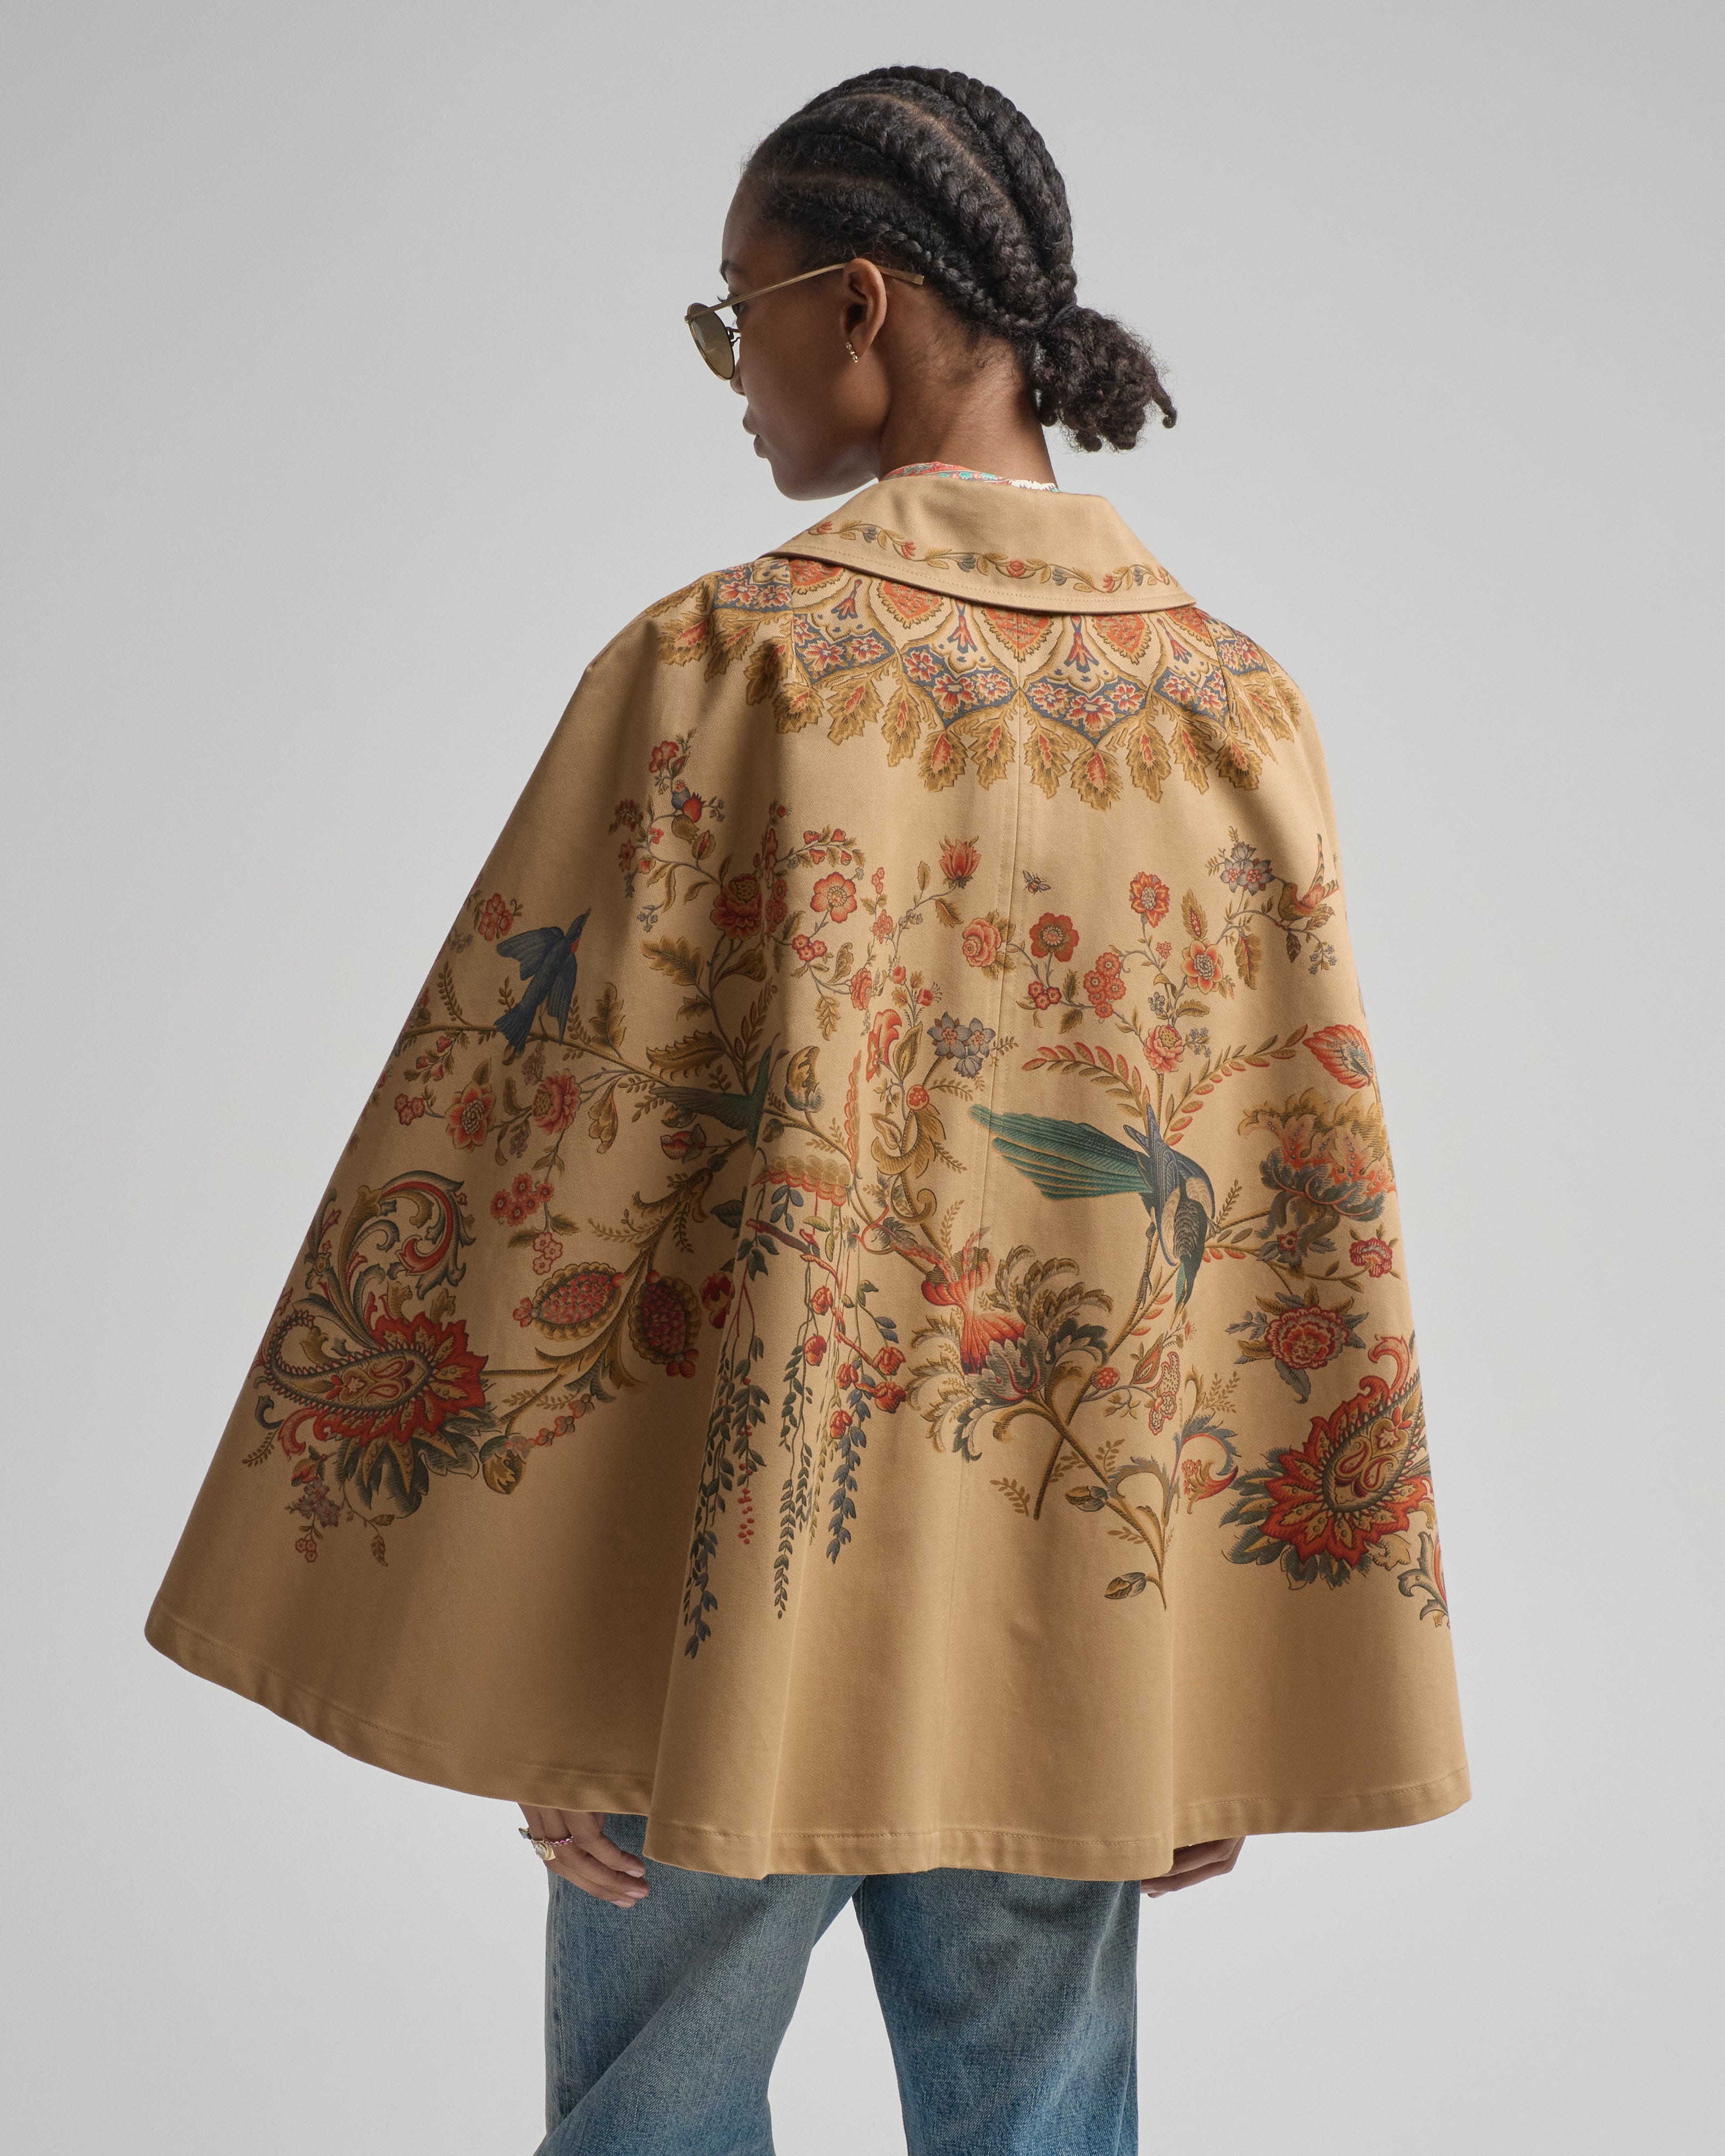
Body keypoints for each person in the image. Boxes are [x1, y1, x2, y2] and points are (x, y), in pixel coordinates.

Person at [148, 66, 1468, 2155]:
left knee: (649, 2129)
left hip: (717, 1645)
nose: (733, 374)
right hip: (1072, 1648)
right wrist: (1204, 1694)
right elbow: (1282, 1209)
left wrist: (544, 1676)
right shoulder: (1232, 709)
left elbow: (559, 1161)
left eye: (733, 314)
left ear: (858, 304)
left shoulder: (721, 673)